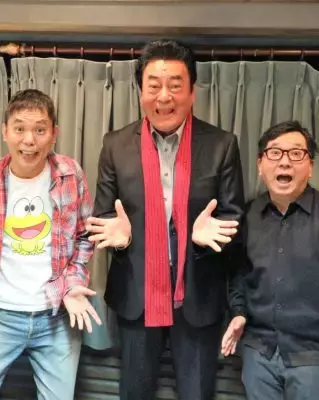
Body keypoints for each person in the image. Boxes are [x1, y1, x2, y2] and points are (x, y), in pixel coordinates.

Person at [86, 39, 245, 400]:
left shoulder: (221, 145)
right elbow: (104, 216)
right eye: (154, 85)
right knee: (134, 393)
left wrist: (206, 241)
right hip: (137, 294)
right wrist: (121, 240)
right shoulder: (115, 145)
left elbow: (234, 219)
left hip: (198, 293)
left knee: (197, 394)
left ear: (192, 92)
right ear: (140, 91)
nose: (164, 96)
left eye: (175, 85)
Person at [0, 89, 102, 400]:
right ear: (5, 131)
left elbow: (84, 236)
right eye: (19, 128)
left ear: (54, 134)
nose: (29, 140)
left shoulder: (70, 174)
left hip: (55, 316)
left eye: (39, 130)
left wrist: (72, 284)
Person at [221, 120, 319, 400]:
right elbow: (239, 276)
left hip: (316, 357)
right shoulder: (247, 215)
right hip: (259, 352)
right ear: (260, 165)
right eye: (275, 153)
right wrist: (238, 312)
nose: (285, 162)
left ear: (310, 167)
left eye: (296, 153)